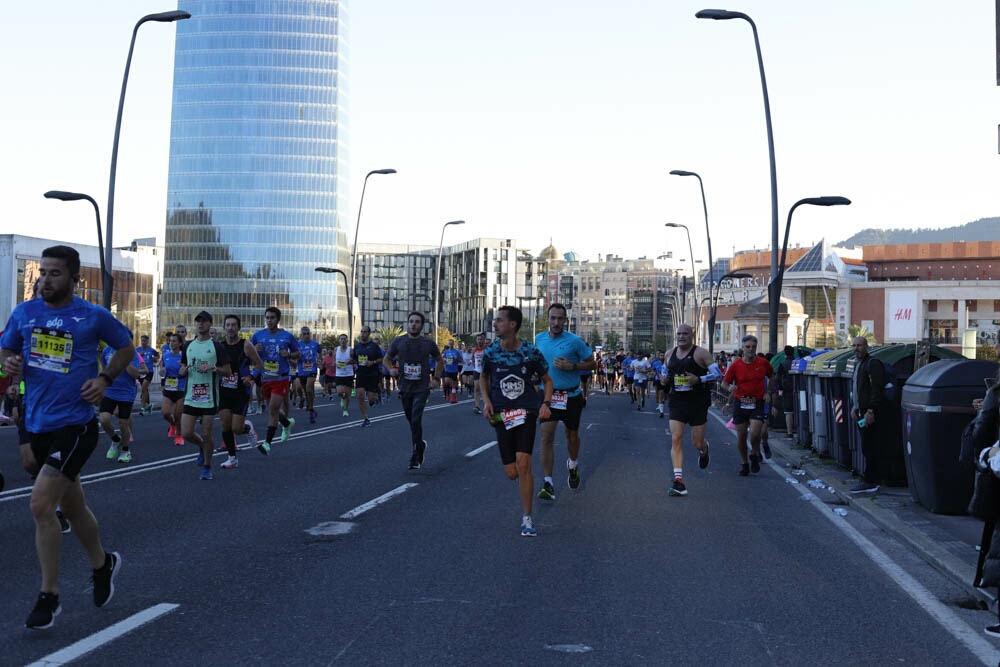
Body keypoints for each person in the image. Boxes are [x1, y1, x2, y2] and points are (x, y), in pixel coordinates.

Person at [0, 245, 131, 629]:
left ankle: (49, 596)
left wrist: (104, 378)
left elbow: (124, 349)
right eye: (43, 272)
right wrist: (8, 362)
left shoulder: (92, 317)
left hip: (75, 426)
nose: (45, 280)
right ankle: (103, 563)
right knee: (72, 507)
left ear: (76, 279)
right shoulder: (24, 313)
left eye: (55, 273)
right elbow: (7, 348)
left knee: (41, 506)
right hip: (38, 423)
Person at [481, 306, 553, 537]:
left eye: (499, 320)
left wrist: (546, 403)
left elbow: (547, 380)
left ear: (512, 324)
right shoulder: (491, 352)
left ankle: (527, 519)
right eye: (495, 320)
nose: (495, 324)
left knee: (524, 465)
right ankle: (525, 507)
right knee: (512, 472)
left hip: (525, 412)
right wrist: (486, 401)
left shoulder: (530, 352)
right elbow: (483, 376)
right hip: (501, 414)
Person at [534, 303, 595, 500]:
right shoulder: (539, 338)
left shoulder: (575, 341)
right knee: (546, 437)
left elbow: (593, 362)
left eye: (560, 319)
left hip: (571, 396)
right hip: (548, 396)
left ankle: (573, 464)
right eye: (553, 318)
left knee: (572, 437)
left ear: (565, 320)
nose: (556, 322)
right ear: (548, 318)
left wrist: (573, 366)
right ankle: (548, 482)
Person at [662, 324, 717, 496]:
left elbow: (718, 375)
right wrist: (663, 379)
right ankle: (679, 481)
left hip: (698, 403)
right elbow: (664, 373)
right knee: (676, 438)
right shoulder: (669, 354)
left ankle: (704, 449)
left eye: (685, 333)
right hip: (677, 401)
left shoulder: (701, 353)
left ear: (692, 335)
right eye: (679, 334)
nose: (681, 337)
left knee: (697, 443)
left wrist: (699, 379)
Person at [383, 312, 443, 469]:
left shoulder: (428, 343)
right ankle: (420, 444)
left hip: (422, 387)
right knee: (411, 420)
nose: (414, 324)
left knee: (416, 419)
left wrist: (435, 379)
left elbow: (439, 360)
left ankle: (416, 454)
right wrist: (391, 369)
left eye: (417, 322)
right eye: (411, 321)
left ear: (422, 325)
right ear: (407, 324)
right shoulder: (399, 341)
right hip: (404, 387)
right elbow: (386, 359)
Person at [179, 311, 232, 480]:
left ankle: (207, 466)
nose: (200, 324)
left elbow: (228, 370)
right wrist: (182, 371)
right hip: (190, 395)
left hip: (209, 396)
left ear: (210, 324)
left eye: (203, 321)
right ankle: (202, 446)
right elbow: (182, 367)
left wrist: (212, 368)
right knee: (186, 433)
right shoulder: (188, 346)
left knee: (207, 432)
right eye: (197, 321)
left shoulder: (217, 346)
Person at [721, 336, 774, 477]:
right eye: (748, 347)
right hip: (741, 402)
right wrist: (730, 388)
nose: (751, 350)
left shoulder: (763, 363)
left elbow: (773, 376)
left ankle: (755, 453)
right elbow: (724, 384)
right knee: (741, 436)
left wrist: (768, 392)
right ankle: (745, 463)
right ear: (743, 348)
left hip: (757, 402)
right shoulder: (736, 365)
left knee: (756, 433)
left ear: (756, 347)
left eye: (753, 347)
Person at [218, 314, 265, 468]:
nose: (231, 328)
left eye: (233, 325)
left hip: (240, 391)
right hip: (224, 390)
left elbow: (259, 365)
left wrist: (251, 377)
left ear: (238, 328)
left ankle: (247, 428)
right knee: (225, 426)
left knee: (236, 429)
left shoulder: (246, 345)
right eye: (228, 325)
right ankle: (232, 458)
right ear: (224, 327)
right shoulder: (220, 346)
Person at [250, 307, 299, 451]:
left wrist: (288, 355)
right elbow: (248, 354)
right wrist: (255, 351)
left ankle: (267, 443)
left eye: (272, 317)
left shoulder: (287, 336)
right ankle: (287, 423)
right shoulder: (258, 335)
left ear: (278, 319)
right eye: (267, 317)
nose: (269, 320)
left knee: (272, 409)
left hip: (281, 377)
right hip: (265, 377)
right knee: (274, 410)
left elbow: (298, 354)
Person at [849, 336, 886, 493]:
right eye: (854, 345)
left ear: (866, 347)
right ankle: (869, 478)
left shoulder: (872, 364)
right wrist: (854, 407)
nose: (857, 348)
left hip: (869, 414)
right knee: (866, 446)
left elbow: (877, 389)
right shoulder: (860, 364)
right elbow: (858, 390)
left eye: (860, 345)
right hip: (860, 413)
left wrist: (871, 410)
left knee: (871, 446)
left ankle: (871, 480)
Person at [99, 341, 145, 464]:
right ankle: (115, 439)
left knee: (123, 423)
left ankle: (125, 451)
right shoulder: (107, 351)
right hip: (110, 390)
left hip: (126, 392)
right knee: (104, 419)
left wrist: (123, 361)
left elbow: (136, 374)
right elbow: (105, 369)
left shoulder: (131, 353)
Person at [353, 325, 384, 427]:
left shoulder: (374, 346)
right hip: (361, 374)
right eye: (362, 331)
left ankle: (375, 397)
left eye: (365, 332)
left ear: (369, 334)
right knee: (360, 395)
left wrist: (373, 362)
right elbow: (355, 359)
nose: (363, 333)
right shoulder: (357, 346)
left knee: (371, 400)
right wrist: (350, 362)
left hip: (372, 375)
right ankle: (366, 418)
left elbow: (382, 359)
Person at [160, 333, 186, 445]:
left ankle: (179, 435)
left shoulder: (183, 356)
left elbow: (188, 368)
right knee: (165, 413)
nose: (172, 343)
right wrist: (162, 371)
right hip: (168, 386)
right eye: (170, 341)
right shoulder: (166, 354)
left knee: (177, 414)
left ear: (180, 343)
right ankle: (172, 424)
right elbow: (162, 366)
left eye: (174, 341)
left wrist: (184, 370)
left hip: (180, 387)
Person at [295, 326, 322, 423]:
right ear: (301, 335)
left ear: (310, 334)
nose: (306, 336)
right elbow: (294, 356)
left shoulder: (315, 344)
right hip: (301, 371)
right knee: (299, 388)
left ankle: (310, 409)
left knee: (309, 388)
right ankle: (302, 399)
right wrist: (296, 359)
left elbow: (320, 351)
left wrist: (320, 361)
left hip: (312, 370)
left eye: (308, 333)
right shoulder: (297, 345)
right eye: (304, 334)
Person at [135, 334, 159, 415]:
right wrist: (139, 356)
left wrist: (155, 359)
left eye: (145, 341)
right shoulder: (137, 350)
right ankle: (149, 404)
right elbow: (134, 358)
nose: (143, 342)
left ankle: (142, 408)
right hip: (141, 371)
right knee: (145, 390)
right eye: (142, 341)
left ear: (147, 341)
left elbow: (157, 355)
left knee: (144, 388)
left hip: (149, 371)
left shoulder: (151, 350)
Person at [333, 333, 356, 417]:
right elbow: (333, 361)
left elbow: (354, 361)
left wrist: (349, 361)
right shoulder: (336, 349)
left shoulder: (350, 350)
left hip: (349, 374)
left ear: (347, 341)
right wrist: (335, 364)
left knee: (347, 394)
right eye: (341, 339)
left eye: (344, 339)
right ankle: (342, 399)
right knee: (339, 392)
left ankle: (345, 410)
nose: (343, 340)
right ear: (339, 340)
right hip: (339, 374)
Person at [776, 345, 796, 439]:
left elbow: (778, 378)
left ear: (785, 353)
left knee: (788, 412)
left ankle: (789, 432)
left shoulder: (783, 364)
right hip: (799, 390)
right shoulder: (797, 363)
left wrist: (780, 389)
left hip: (787, 390)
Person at [440, 339, 462, 403]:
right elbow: (442, 359)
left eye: (452, 344)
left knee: (453, 385)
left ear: (453, 344)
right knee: (447, 381)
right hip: (447, 369)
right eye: (449, 344)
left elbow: (461, 360)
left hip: (454, 370)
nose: (450, 345)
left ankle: (453, 398)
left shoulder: (456, 352)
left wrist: (457, 358)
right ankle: (448, 393)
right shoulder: (446, 352)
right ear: (448, 344)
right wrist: (444, 360)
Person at [472, 333, 488, 414]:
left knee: (485, 389)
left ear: (484, 340)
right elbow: (473, 359)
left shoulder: (487, 349)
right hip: (477, 370)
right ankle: (477, 406)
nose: (479, 341)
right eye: (478, 339)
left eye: (481, 339)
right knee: (477, 388)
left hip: (485, 371)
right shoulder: (474, 350)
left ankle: (487, 405)